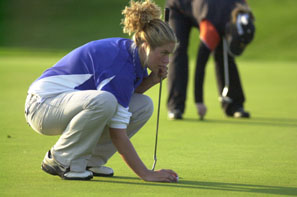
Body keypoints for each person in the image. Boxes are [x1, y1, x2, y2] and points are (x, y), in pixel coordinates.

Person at [24, 0, 178, 182]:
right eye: (164, 53)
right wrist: (146, 173)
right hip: (42, 106)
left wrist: (151, 80)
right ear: (146, 45)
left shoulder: (134, 56)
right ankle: (61, 159)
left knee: (143, 105)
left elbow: (125, 96)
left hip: (61, 105)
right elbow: (117, 132)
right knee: (105, 101)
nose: (167, 61)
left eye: (170, 54)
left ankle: (90, 160)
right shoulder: (121, 64)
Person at [166, 0, 255, 120]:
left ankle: (234, 104)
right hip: (179, 7)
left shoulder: (242, 8)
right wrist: (199, 102)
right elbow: (200, 63)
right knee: (178, 49)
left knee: (224, 52)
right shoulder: (212, 26)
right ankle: (175, 106)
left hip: (204, 8)